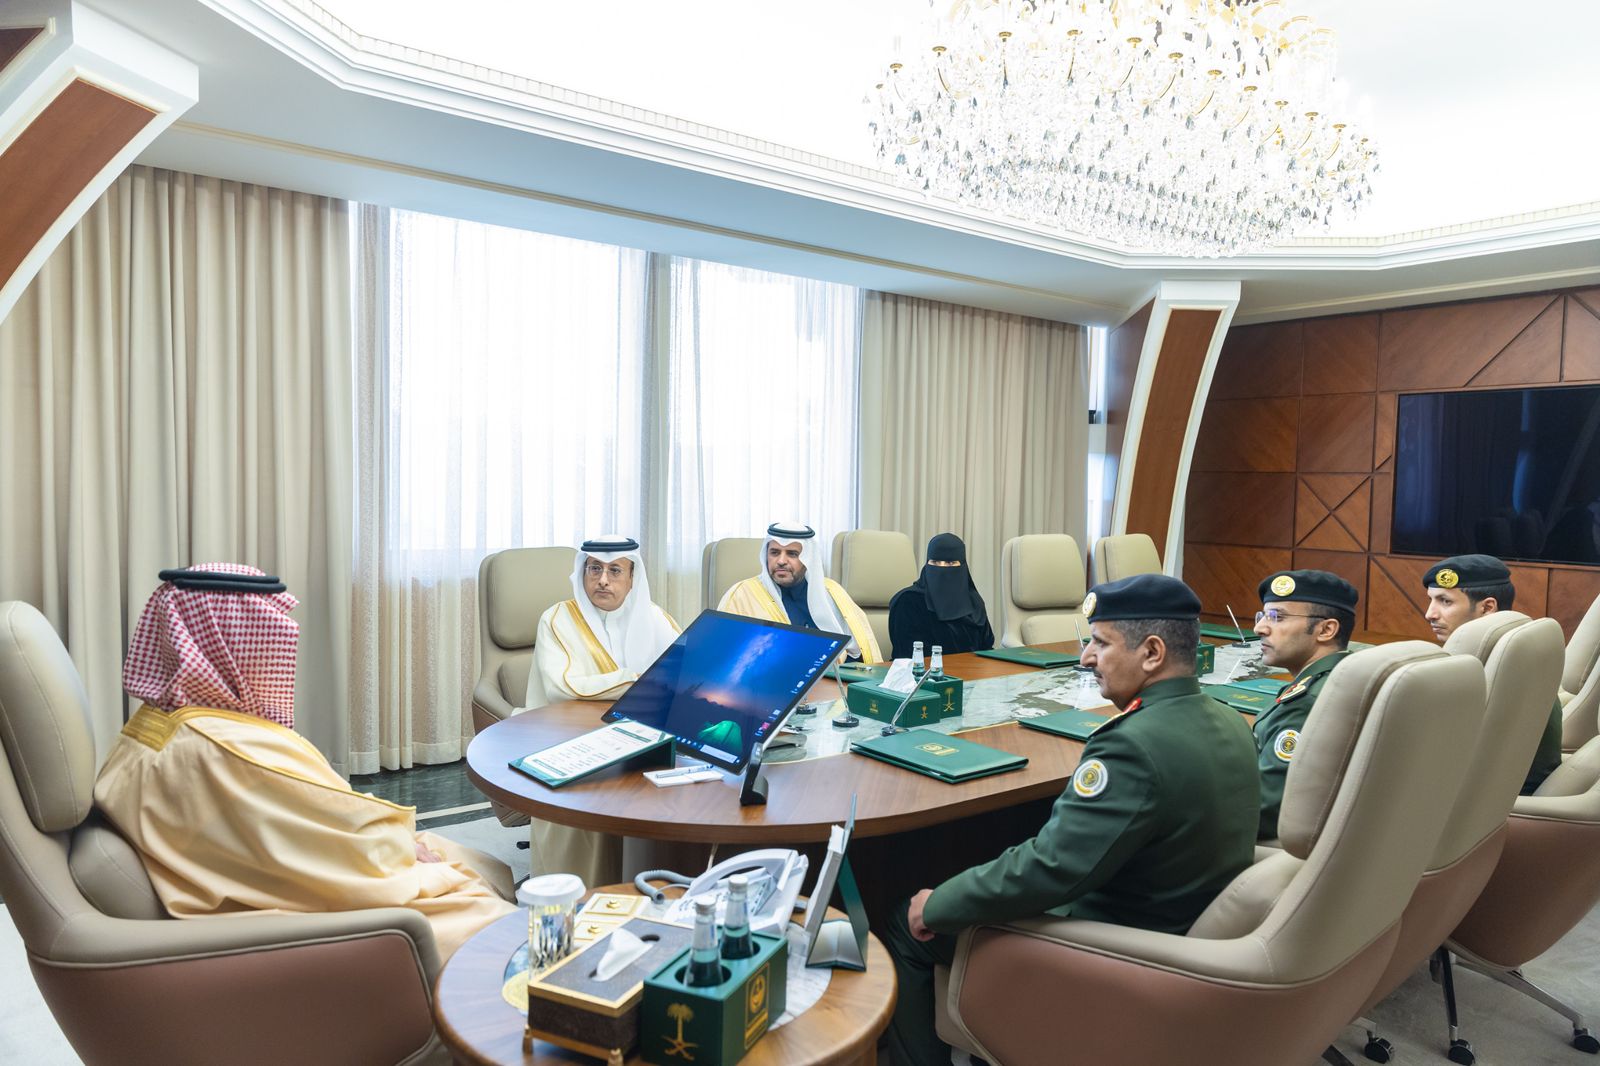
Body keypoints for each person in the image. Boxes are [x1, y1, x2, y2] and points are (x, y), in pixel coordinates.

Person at [880, 574, 1259, 1066]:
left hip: (1109, 953)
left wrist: (939, 904)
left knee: (906, 921)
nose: (1085, 657)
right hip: (1176, 936)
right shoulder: (1230, 718)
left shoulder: (1131, 745)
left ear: (1152, 653)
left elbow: (1051, 868)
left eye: (1100, 643)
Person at [93, 564, 516, 960]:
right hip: (323, 912)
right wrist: (403, 847)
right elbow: (339, 840)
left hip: (278, 873)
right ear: (227, 645)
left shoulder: (160, 721)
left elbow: (306, 822)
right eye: (263, 638)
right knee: (496, 923)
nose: (276, 654)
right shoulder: (223, 747)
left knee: (484, 863)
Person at [525, 535, 680, 884]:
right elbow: (563, 687)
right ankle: (580, 891)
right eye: (594, 569)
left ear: (632, 577)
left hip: (639, 738)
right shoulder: (558, 619)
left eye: (615, 571)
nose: (603, 580)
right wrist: (639, 681)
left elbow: (684, 676)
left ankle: (656, 881)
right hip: (563, 737)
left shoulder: (655, 618)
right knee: (590, 807)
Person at [1423, 554, 1563, 794]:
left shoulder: (1484, 676)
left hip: (1503, 804)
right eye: (1431, 600)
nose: (1430, 614)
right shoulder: (1510, 659)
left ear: (1487, 607)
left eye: (1445, 601)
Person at [1249, 569, 1359, 841]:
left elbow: (1265, 807)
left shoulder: (1307, 702)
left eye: (1278, 617)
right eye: (1263, 616)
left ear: (1326, 630)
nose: (1259, 628)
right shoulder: (1342, 676)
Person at [717, 521, 883, 663]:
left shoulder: (832, 592)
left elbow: (860, 654)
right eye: (774, 552)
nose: (781, 561)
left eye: (792, 554)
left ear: (808, 559)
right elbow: (727, 659)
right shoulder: (741, 596)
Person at [887, 532, 995, 659]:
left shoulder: (974, 603)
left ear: (963, 566)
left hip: (974, 670)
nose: (942, 569)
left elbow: (987, 651)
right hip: (925, 671)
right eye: (935, 562)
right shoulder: (908, 602)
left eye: (950, 563)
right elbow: (907, 656)